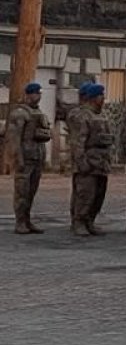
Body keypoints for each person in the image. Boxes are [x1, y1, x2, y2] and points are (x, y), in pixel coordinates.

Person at [7, 82, 51, 234]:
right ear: (27, 95)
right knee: (22, 192)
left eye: (39, 93)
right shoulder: (19, 113)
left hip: (36, 157)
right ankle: (20, 222)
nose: (38, 96)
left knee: (31, 191)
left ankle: (27, 220)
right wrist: (17, 159)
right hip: (25, 159)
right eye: (35, 93)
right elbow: (14, 139)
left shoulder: (37, 112)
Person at [70, 83, 112, 236]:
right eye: (100, 95)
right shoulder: (83, 116)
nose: (103, 98)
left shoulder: (100, 115)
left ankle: (90, 221)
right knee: (85, 194)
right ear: (93, 98)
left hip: (101, 162)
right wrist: (82, 163)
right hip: (88, 162)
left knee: (98, 195)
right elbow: (78, 142)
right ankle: (79, 222)